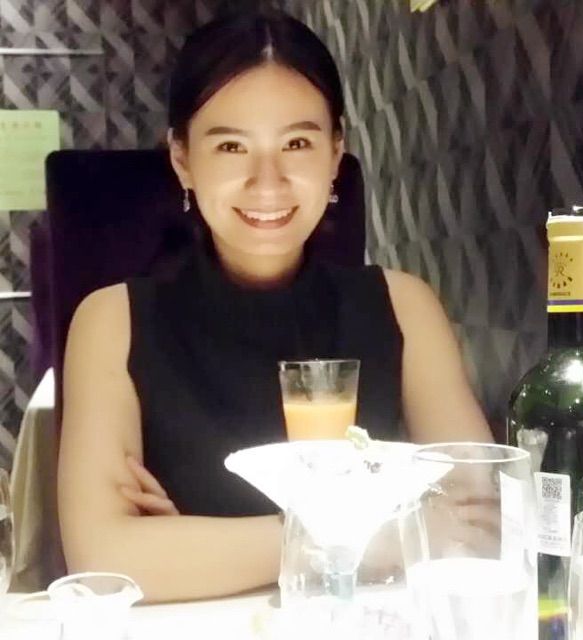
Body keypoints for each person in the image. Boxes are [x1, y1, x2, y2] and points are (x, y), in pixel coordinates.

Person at [57, 7, 492, 603]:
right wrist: (377, 533)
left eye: (297, 143)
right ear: (183, 160)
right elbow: (105, 560)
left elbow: (477, 519)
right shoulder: (114, 322)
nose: (268, 181)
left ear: (335, 152)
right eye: (231, 146)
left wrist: (194, 548)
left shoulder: (403, 307)